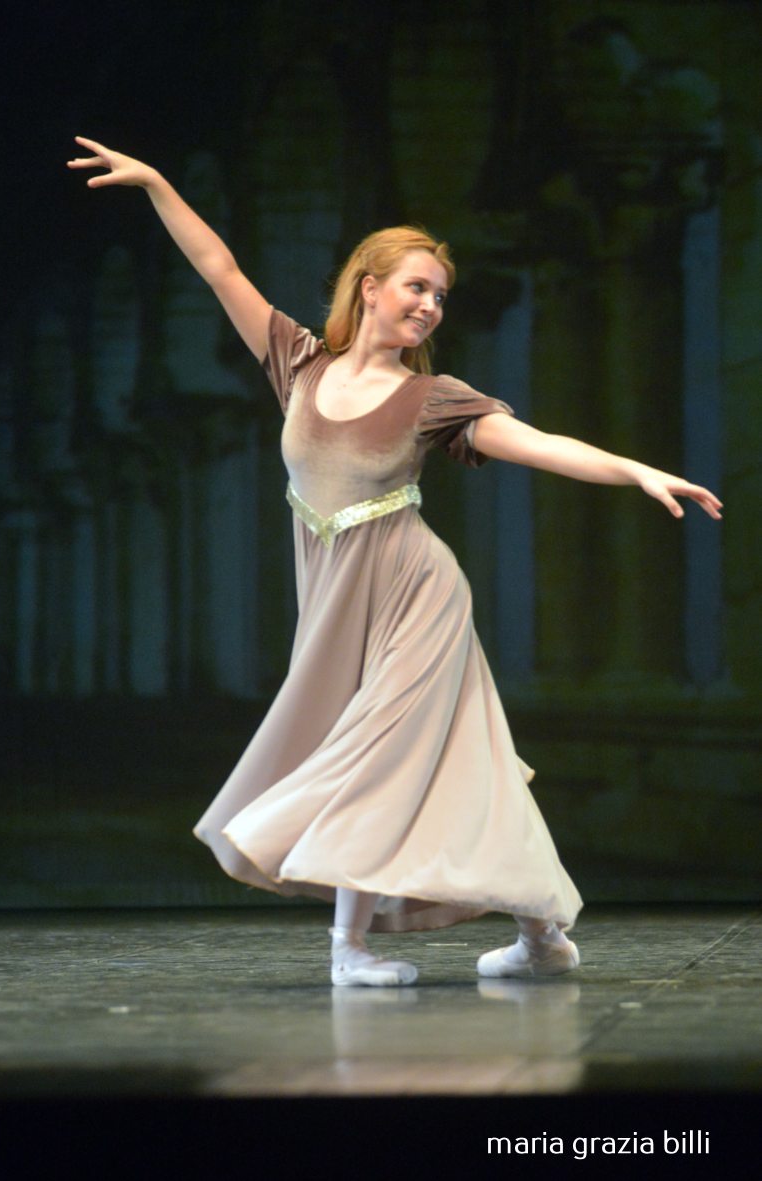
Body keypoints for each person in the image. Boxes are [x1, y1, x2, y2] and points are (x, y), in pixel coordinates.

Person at [69, 137, 723, 987]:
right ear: (368, 287)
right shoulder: (297, 363)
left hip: (417, 593)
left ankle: (349, 947)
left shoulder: (431, 399)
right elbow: (218, 267)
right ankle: (540, 934)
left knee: (373, 753)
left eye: (440, 295)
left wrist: (634, 469)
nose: (430, 305)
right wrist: (158, 183)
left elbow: (538, 442)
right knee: (465, 760)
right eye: (417, 286)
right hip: (338, 602)